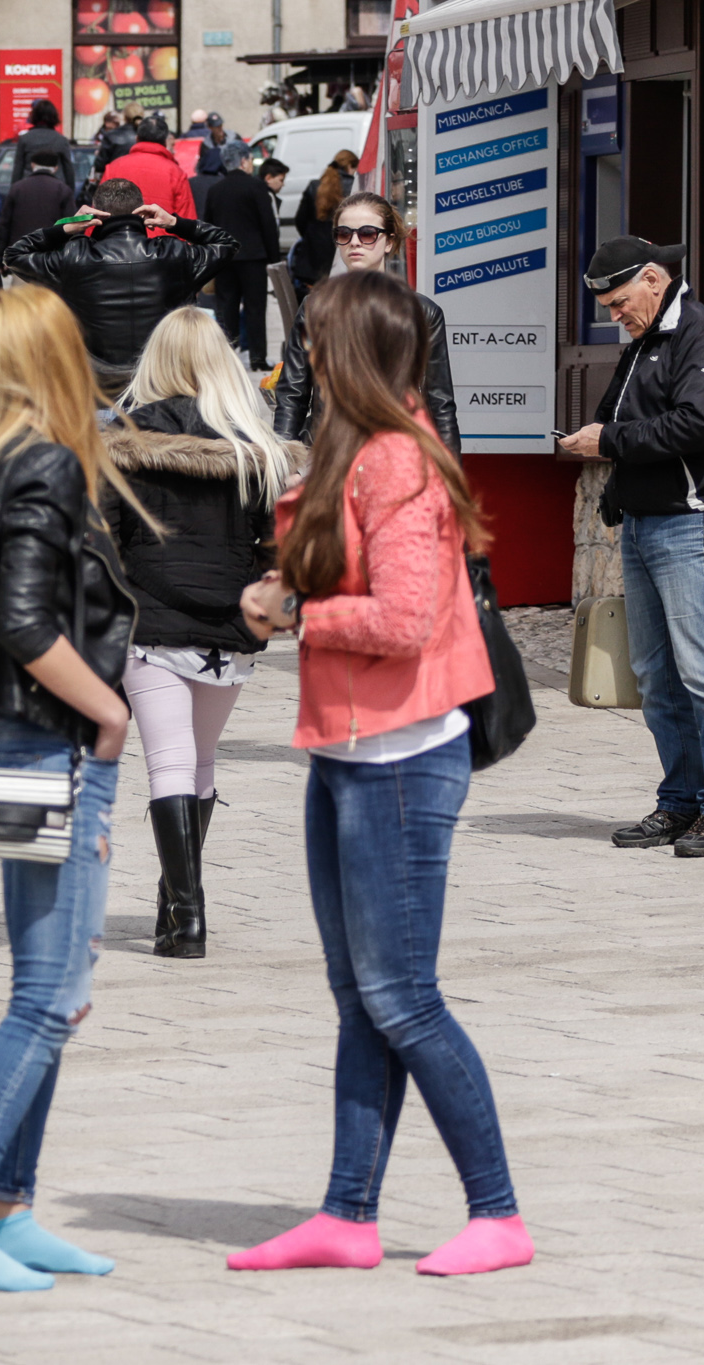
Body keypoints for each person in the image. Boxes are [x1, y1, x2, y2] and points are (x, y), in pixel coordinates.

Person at [233, 267, 531, 1278]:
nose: (303, 354)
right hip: (348, 749)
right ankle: (346, 1214)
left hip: (400, 758)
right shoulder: (353, 444)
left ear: (349, 352)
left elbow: (403, 619)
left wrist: (294, 611)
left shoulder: (396, 457)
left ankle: (496, 1213)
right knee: (360, 997)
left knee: (402, 997)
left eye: (314, 338)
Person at [0, 285, 139, 1294]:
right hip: (53, 746)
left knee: (50, 993)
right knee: (48, 1000)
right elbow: (21, 622)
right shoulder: (43, 463)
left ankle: (7, 1208)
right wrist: (110, 714)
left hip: (19, 743)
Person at [104, 309, 295, 957]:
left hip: (149, 620)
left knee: (169, 759)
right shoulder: (255, 449)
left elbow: (101, 541)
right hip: (228, 627)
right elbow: (272, 550)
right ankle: (174, 897)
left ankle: (186, 915)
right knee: (201, 758)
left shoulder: (124, 442)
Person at [558, 237, 704, 856]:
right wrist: (613, 482)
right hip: (642, 521)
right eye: (607, 307)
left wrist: (607, 441)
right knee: (657, 678)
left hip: (691, 524)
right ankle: (681, 802)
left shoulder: (701, 333)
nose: (615, 315)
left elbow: (695, 424)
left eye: (619, 302)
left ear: (655, 280)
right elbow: (621, 418)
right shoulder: (644, 340)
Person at [2, 178, 236, 392]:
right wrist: (174, 223)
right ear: (141, 210)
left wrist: (66, 227)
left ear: (96, 212)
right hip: (162, 381)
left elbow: (14, 255)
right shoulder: (174, 253)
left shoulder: (75, 257)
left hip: (98, 385)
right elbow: (226, 243)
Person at [274, 193, 457, 453]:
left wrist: (448, 470)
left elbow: (440, 403)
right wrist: (284, 463)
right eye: (344, 234)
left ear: (389, 242)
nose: (354, 242)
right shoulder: (316, 309)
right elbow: (293, 392)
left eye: (367, 233)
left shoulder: (422, 314)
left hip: (398, 454)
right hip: (330, 452)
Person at [201, 141, 282, 370]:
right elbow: (268, 225)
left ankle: (226, 356)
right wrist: (274, 259)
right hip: (253, 257)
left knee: (226, 307)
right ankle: (257, 358)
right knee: (255, 307)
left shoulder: (215, 190)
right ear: (244, 161)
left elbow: (208, 227)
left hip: (226, 258)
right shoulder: (257, 187)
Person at [99, 116, 196, 228]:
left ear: (137, 139)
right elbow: (187, 221)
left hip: (121, 236)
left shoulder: (114, 167)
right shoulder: (176, 173)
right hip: (163, 237)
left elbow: (99, 213)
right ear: (165, 142)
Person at [292, 149, 358, 291]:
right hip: (341, 253)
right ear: (350, 166)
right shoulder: (355, 186)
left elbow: (300, 220)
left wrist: (311, 236)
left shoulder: (315, 185)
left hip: (313, 256)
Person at [0, 148, 77, 252]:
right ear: (56, 168)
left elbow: (4, 224)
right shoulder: (63, 190)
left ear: (32, 165)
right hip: (50, 252)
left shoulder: (17, 188)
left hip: (19, 250)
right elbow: (71, 225)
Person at [15, 99, 76, 191]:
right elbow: (68, 170)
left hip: (29, 189)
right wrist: (70, 193)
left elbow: (18, 169)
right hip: (56, 190)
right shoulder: (61, 140)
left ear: (34, 116)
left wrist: (14, 192)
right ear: (54, 117)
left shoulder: (25, 139)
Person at [90, 102, 147, 181]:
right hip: (141, 180)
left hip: (116, 181)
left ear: (124, 116)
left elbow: (100, 165)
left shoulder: (112, 136)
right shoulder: (147, 136)